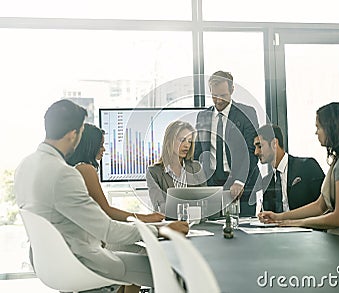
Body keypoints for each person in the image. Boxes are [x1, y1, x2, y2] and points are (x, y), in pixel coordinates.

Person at [14, 99, 188, 293]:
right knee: (173, 269)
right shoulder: (63, 174)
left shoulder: (25, 166)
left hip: (47, 262)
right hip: (81, 262)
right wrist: (161, 230)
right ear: (73, 135)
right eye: (80, 132)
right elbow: (108, 230)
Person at [258, 102, 339, 243]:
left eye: (319, 127)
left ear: (332, 128)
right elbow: (320, 206)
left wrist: (298, 223)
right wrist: (279, 217)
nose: (316, 132)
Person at [67, 123, 164, 223]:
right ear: (89, 146)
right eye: (100, 145)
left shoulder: (74, 168)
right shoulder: (85, 169)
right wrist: (145, 218)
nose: (104, 149)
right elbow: (106, 211)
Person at [194, 71, 260, 216]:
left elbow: (252, 151)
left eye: (223, 96)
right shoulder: (203, 116)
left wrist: (240, 181)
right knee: (212, 231)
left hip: (240, 181)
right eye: (214, 95)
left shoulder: (246, 113)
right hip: (211, 184)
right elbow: (197, 152)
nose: (218, 100)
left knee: (243, 231)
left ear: (232, 90)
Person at [254, 124, 325, 212]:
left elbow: (325, 206)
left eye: (260, 146)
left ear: (274, 143)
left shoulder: (307, 167)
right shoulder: (266, 182)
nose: (256, 152)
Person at [146, 120, 207, 214]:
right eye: (182, 140)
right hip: (169, 225)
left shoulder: (196, 168)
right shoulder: (154, 172)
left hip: (196, 222)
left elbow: (205, 202)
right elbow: (160, 206)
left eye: (189, 141)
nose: (187, 145)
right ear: (170, 140)